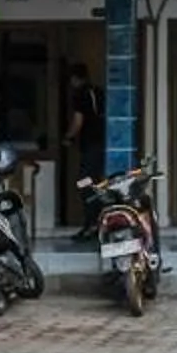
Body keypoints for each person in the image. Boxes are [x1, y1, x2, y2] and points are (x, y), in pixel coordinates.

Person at [62, 66, 104, 235]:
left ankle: (92, 223)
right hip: (102, 144)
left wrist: (68, 137)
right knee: (95, 182)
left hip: (91, 146)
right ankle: (95, 222)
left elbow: (78, 120)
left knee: (84, 183)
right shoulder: (98, 92)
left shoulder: (80, 94)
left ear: (75, 79)